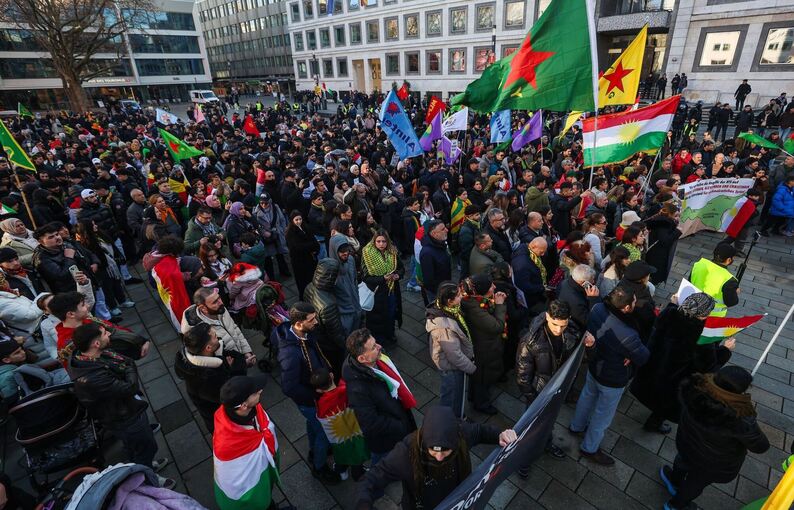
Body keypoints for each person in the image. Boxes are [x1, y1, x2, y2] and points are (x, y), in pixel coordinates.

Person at [68, 323, 174, 487]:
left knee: (135, 448)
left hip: (126, 410)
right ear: (96, 344)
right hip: (125, 418)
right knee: (146, 446)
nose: (108, 335)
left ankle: (142, 466)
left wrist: (126, 367)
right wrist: (130, 366)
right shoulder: (93, 377)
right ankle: (148, 479)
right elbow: (129, 386)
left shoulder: (92, 356)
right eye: (104, 334)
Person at [354, 405, 517, 510]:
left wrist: (500, 435)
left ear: (455, 440)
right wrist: (364, 504)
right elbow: (371, 479)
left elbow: (481, 432)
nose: (439, 457)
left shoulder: (462, 433)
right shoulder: (405, 453)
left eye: (446, 451)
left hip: (459, 501)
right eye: (433, 450)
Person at [660, 366, 769, 510]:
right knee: (696, 482)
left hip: (687, 443)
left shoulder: (695, 388)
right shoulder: (739, 418)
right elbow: (761, 446)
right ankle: (676, 505)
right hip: (712, 462)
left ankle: (674, 480)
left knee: (683, 460)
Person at [632, 293, 735, 434]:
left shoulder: (670, 313)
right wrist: (726, 350)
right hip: (674, 380)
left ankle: (654, 420)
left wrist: (673, 304)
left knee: (653, 394)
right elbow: (708, 366)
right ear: (704, 314)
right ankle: (654, 423)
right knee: (664, 404)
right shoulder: (702, 336)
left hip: (653, 367)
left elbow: (659, 324)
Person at [570, 285, 650, 465]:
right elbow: (643, 356)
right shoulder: (627, 334)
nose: (636, 302)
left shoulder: (598, 308)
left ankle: (576, 426)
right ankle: (589, 448)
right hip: (612, 378)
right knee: (602, 415)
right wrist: (629, 354)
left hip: (594, 366)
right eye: (634, 301)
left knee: (587, 396)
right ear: (626, 308)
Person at [272, 302, 341, 484]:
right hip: (311, 400)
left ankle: (314, 450)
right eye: (312, 320)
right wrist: (315, 396)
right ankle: (319, 467)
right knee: (324, 434)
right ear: (299, 323)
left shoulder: (305, 333)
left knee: (314, 426)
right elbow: (289, 387)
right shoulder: (290, 354)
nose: (316, 322)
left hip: (315, 395)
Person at [516, 300, 591, 465]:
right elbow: (523, 377)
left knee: (548, 423)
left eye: (563, 325)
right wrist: (532, 399)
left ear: (568, 319)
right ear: (547, 316)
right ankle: (524, 459)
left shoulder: (572, 330)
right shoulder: (531, 340)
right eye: (555, 324)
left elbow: (580, 359)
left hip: (558, 388)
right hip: (538, 392)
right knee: (530, 428)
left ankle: (546, 443)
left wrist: (589, 345)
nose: (558, 330)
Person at [213, 376, 292, 510]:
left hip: (262, 475)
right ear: (244, 406)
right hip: (251, 495)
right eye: (255, 393)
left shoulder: (251, 409)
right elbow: (236, 482)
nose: (260, 391)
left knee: (266, 496)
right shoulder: (226, 445)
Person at [342, 328, 417, 465]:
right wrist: (399, 425)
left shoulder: (376, 363)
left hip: (397, 419)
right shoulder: (357, 390)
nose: (379, 347)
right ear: (362, 358)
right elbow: (370, 423)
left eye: (375, 343)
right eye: (374, 347)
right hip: (387, 439)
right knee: (382, 464)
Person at [174, 322, 247, 431]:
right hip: (223, 423)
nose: (217, 337)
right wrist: (233, 369)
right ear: (208, 348)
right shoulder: (204, 379)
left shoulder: (208, 356)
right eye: (214, 336)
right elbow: (230, 395)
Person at [425, 281, 476, 418]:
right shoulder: (444, 328)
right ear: (449, 301)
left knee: (454, 394)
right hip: (451, 368)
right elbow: (454, 355)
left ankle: (457, 416)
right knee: (452, 395)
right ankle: (450, 421)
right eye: (458, 296)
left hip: (451, 364)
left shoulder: (448, 310)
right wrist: (471, 368)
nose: (461, 297)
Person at [460, 274, 507, 415]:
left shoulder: (474, 300)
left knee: (480, 377)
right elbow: (497, 326)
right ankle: (481, 404)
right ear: (482, 291)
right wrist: (499, 305)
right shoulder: (475, 309)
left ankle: (475, 397)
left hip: (483, 346)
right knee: (481, 378)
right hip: (483, 349)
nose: (494, 286)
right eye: (491, 285)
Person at [181, 287, 255, 367]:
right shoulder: (196, 332)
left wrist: (246, 351)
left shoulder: (219, 309)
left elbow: (234, 328)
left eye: (219, 298)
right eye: (215, 302)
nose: (221, 302)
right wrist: (240, 365)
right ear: (203, 308)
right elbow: (211, 362)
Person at [304, 258, 348, 376]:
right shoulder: (328, 305)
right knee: (337, 367)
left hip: (316, 336)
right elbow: (336, 333)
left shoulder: (309, 286)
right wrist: (346, 346)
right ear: (330, 277)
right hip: (328, 343)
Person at [361, 230, 403, 346]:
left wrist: (398, 275)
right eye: (378, 241)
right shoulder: (367, 254)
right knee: (377, 318)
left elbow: (401, 268)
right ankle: (379, 340)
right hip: (377, 293)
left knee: (391, 314)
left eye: (384, 241)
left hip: (391, 290)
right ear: (374, 241)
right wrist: (383, 278)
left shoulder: (392, 252)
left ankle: (390, 334)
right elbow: (365, 277)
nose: (381, 244)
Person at [689, 243, 740, 318]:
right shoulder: (730, 280)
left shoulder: (699, 264)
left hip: (691, 308)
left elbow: (690, 281)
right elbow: (731, 302)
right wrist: (736, 292)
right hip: (712, 317)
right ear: (729, 260)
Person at [252, 192, 292, 279]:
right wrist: (264, 233)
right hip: (267, 238)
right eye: (261, 202)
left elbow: (282, 219)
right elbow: (256, 226)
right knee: (268, 258)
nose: (263, 205)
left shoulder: (275, 207)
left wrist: (281, 230)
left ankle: (284, 271)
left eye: (265, 203)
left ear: (269, 201)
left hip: (277, 235)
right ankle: (272, 277)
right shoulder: (256, 212)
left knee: (280, 254)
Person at [285, 211, 320, 301]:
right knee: (302, 281)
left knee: (312, 277)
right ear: (292, 221)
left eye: (300, 219)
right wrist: (311, 245)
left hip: (309, 259)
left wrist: (313, 247)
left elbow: (314, 241)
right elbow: (297, 247)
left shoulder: (305, 227)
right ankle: (304, 297)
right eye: (296, 220)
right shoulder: (290, 233)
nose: (299, 221)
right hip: (299, 261)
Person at [645, 203, 683, 284]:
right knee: (654, 275)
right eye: (676, 216)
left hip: (656, 253)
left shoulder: (663, 221)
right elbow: (665, 241)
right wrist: (677, 232)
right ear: (670, 214)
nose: (678, 218)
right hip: (657, 255)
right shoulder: (664, 224)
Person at [556, 264, 600, 331]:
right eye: (592, 280)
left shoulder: (565, 282)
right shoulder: (576, 302)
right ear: (584, 283)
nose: (593, 282)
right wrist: (593, 299)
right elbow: (587, 321)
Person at [512, 236, 548, 315]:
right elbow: (524, 285)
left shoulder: (529, 252)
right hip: (530, 300)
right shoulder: (522, 263)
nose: (543, 254)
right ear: (534, 246)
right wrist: (541, 288)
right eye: (541, 252)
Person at [419, 220, 451, 305]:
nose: (447, 230)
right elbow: (429, 280)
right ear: (433, 234)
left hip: (444, 287)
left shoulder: (440, 243)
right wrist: (440, 293)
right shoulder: (427, 253)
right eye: (443, 229)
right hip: (437, 292)